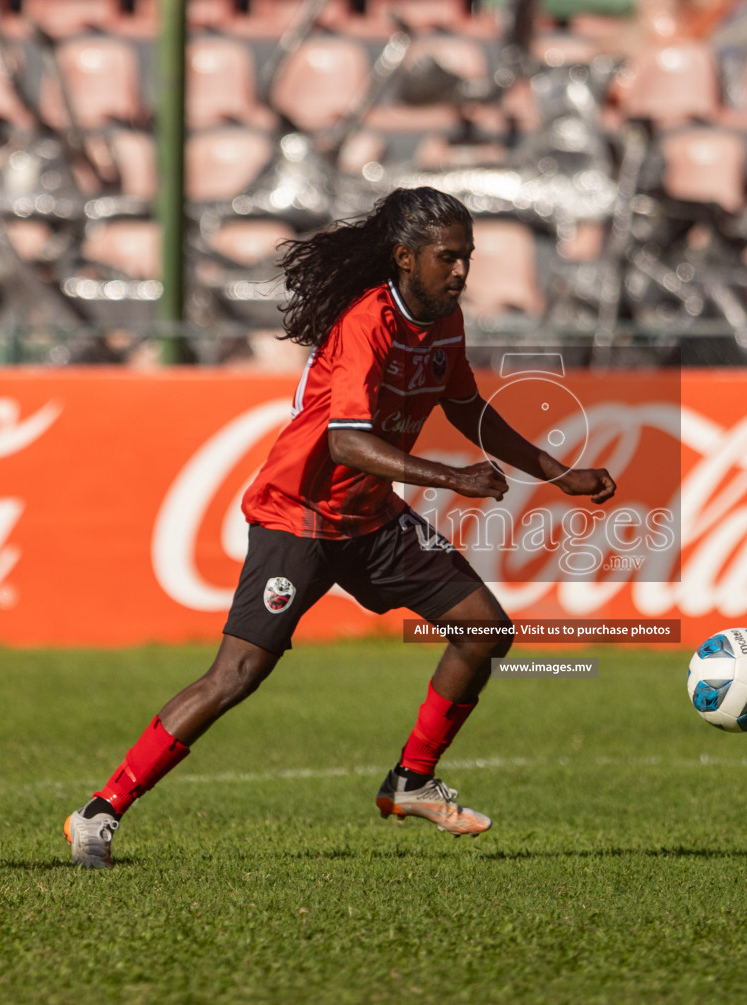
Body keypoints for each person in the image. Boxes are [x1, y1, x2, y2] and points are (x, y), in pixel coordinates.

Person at [64, 187, 617, 867]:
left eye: (467, 257)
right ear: (405, 258)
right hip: (301, 515)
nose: (463, 271)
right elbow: (345, 442)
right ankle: (100, 810)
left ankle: (410, 781)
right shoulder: (368, 321)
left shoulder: (443, 318)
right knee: (236, 674)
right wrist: (454, 479)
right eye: (449, 257)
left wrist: (558, 473)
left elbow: (469, 407)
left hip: (371, 516)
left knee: (484, 628)